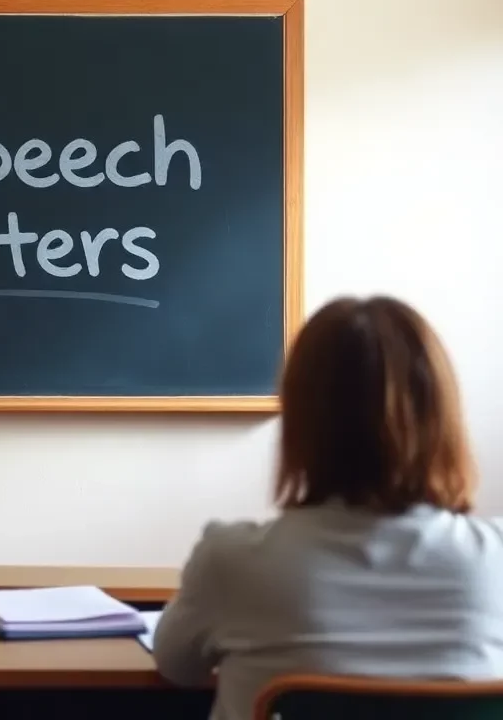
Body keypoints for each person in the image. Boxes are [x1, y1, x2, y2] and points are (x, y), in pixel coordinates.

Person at [153, 296, 503, 720]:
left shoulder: (232, 560)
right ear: (441, 417)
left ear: (301, 418)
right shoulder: (494, 557)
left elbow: (178, 666)